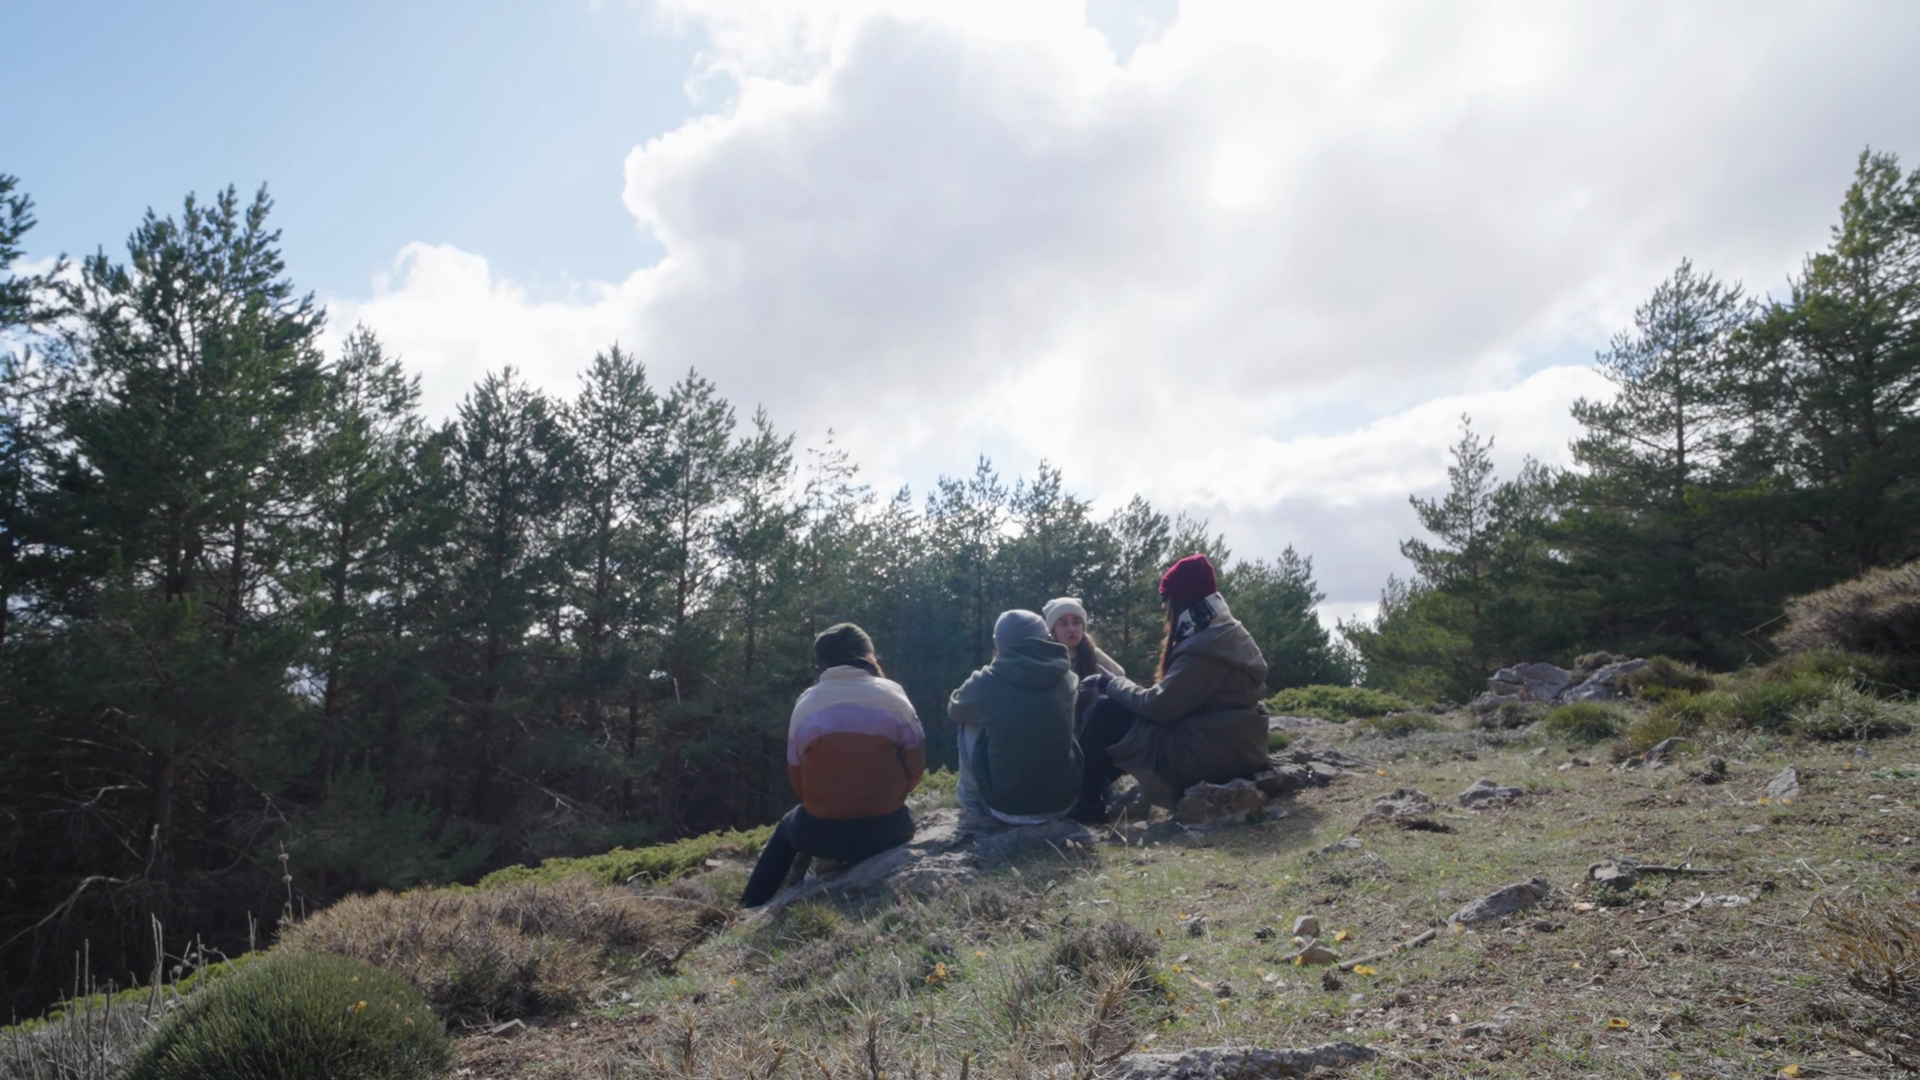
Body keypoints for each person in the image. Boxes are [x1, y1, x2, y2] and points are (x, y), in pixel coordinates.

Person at [1069, 554, 1270, 821]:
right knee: (1117, 709)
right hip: (1236, 744)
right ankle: (1100, 792)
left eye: (1166, 599)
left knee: (1106, 712)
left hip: (1217, 754)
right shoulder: (1226, 631)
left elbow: (1158, 707)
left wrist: (1110, 683)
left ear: (1181, 600)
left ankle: (1085, 804)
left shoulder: (1205, 648)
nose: (1164, 607)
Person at [740, 623, 925, 908]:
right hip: (891, 831)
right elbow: (916, 769)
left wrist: (832, 804)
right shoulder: (894, 695)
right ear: (867, 655)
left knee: (787, 827)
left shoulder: (807, 703)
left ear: (823, 663)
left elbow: (798, 780)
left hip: (822, 837)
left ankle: (749, 906)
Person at [948, 610, 1083, 827]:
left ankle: (972, 804)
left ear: (1001, 645)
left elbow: (955, 709)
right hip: (1063, 803)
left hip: (1007, 808)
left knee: (968, 722)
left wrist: (981, 675)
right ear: (1043, 638)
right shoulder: (1067, 676)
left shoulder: (989, 680)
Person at [1041, 597, 1126, 679]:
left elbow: (1119, 676)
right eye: (1064, 624)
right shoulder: (1044, 658)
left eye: (1076, 623)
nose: (1072, 629)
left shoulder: (1092, 653)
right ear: (1053, 631)